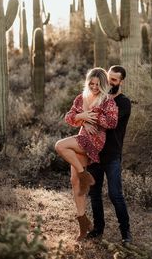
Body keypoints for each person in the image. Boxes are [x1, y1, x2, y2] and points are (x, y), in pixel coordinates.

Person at [55, 67, 118, 241]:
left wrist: (94, 118)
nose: (95, 86)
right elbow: (68, 118)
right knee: (76, 183)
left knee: (60, 146)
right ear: (87, 82)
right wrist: (82, 116)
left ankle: (85, 175)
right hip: (82, 138)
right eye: (92, 83)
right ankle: (83, 223)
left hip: (96, 140)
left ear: (103, 84)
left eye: (98, 84)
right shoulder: (80, 98)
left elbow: (112, 122)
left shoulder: (107, 101)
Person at [86, 65, 132, 244]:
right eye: (109, 78)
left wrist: (90, 117)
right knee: (94, 193)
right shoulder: (99, 98)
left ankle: (126, 233)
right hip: (95, 153)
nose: (110, 82)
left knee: (115, 194)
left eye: (114, 80)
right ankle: (98, 229)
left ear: (121, 81)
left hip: (112, 155)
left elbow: (107, 123)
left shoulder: (123, 103)